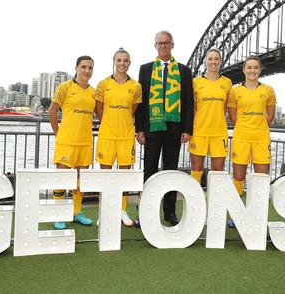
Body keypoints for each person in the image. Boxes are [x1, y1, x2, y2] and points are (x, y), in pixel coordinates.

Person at [135, 30, 194, 226]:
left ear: (172, 45)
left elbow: (187, 101)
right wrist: (140, 129)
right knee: (149, 171)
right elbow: (141, 101)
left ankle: (169, 212)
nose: (163, 46)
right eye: (159, 43)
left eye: (166, 43)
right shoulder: (146, 69)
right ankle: (145, 211)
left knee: (170, 171)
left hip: (174, 129)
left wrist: (187, 128)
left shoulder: (184, 71)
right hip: (152, 127)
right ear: (155, 46)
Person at [227, 55, 276, 228]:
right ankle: (236, 214)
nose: (252, 70)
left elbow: (270, 115)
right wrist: (245, 126)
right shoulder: (235, 91)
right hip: (242, 137)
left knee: (261, 178)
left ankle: (257, 214)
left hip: (261, 138)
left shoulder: (268, 90)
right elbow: (233, 116)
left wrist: (259, 126)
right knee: (238, 177)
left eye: (256, 67)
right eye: (249, 67)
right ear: (243, 70)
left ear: (260, 69)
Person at [94, 48, 142, 227]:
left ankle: (122, 211)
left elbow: (133, 111)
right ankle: (105, 211)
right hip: (107, 136)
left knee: (124, 177)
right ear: (114, 61)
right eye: (119, 60)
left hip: (126, 137)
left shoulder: (136, 86)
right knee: (105, 176)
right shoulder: (103, 84)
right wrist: (108, 122)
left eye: (126, 60)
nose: (122, 63)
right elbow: (99, 109)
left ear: (130, 63)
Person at [49, 55, 98, 229]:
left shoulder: (94, 92)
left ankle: (77, 212)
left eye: (90, 68)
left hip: (85, 143)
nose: (87, 70)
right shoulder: (65, 87)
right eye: (84, 67)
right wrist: (58, 134)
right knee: (62, 178)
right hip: (66, 142)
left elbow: (102, 115)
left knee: (80, 180)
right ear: (76, 68)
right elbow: (52, 111)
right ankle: (58, 214)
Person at [188, 48, 232, 184]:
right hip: (199, 131)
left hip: (219, 133)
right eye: (210, 58)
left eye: (216, 59)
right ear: (205, 61)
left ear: (221, 61)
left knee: (217, 171)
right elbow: (193, 108)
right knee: (196, 169)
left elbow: (225, 107)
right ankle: (194, 202)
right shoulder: (196, 82)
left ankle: (215, 204)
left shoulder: (227, 83)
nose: (213, 62)